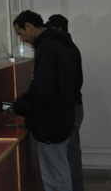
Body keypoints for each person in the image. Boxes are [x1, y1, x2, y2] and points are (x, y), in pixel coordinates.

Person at [10, 10, 82, 191]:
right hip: (61, 118)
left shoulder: (47, 46)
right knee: (60, 170)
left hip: (51, 123)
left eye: (20, 33)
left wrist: (20, 105)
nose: (22, 39)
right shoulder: (59, 43)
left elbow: (42, 90)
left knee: (54, 176)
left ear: (29, 26)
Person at [46, 14, 84, 191]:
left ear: (59, 29)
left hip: (70, 107)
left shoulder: (65, 49)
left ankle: (75, 187)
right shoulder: (70, 47)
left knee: (70, 153)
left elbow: (69, 83)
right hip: (74, 106)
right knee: (71, 151)